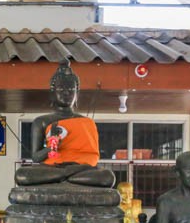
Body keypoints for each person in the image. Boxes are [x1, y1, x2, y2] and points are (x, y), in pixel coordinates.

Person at [15, 60, 115, 188]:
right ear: (53, 93)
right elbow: (36, 157)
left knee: (107, 177)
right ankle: (69, 176)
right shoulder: (42, 121)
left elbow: (92, 156)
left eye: (71, 89)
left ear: (77, 94)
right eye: (61, 89)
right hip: (53, 167)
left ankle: (62, 176)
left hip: (81, 168)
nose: (66, 93)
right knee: (22, 175)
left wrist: (77, 167)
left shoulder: (87, 122)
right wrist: (51, 148)